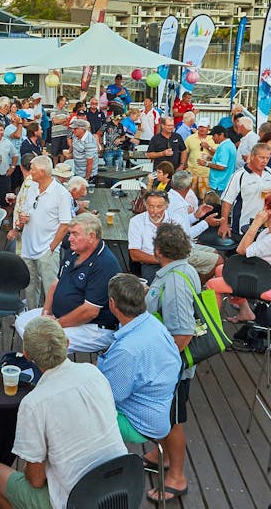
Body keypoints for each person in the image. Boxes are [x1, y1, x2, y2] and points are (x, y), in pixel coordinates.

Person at [0, 316, 127, 509]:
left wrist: (34, 467)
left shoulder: (34, 403)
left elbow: (36, 480)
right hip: (119, 485)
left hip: (77, 501)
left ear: (27, 354)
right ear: (67, 342)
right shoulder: (94, 373)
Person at [143, 224, 198, 502]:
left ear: (158, 250)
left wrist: (163, 367)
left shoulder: (174, 280)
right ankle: (159, 455)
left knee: (172, 419)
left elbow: (183, 332)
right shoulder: (183, 270)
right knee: (164, 414)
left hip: (172, 366)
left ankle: (177, 476)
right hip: (167, 361)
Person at [15, 213, 122, 353]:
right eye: (70, 233)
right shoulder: (73, 252)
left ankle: (52, 369)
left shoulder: (104, 264)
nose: (69, 238)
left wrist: (56, 324)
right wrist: (46, 313)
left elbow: (90, 312)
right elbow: (55, 284)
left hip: (93, 328)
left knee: (42, 340)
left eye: (75, 234)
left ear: (91, 237)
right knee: (22, 322)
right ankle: (44, 363)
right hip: (60, 317)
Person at [98, 272, 181, 447]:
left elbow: (108, 396)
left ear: (112, 304)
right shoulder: (153, 324)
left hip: (138, 422)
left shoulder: (127, 350)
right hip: (159, 411)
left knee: (71, 415)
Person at [208, 195, 271, 323]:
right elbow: (245, 249)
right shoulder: (267, 232)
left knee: (212, 285)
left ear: (268, 212)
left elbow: (241, 250)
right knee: (221, 269)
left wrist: (256, 223)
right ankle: (245, 311)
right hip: (264, 275)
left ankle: (212, 326)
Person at [12, 156, 72, 309]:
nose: (29, 172)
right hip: (27, 246)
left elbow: (65, 224)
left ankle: (49, 320)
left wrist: (51, 248)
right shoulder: (31, 186)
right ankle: (32, 317)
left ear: (42, 172)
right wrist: (22, 220)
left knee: (50, 289)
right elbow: (26, 210)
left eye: (32, 169)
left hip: (47, 249)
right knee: (30, 288)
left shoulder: (61, 193)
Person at [217, 143, 271, 239]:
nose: (265, 161)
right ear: (252, 156)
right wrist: (223, 224)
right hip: (243, 226)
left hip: (264, 225)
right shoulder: (239, 175)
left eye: (267, 158)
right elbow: (227, 201)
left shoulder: (269, 172)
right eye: (262, 158)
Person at [128, 191, 175, 282]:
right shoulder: (136, 221)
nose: (155, 211)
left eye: (159, 207)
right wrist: (162, 261)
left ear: (166, 206)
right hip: (150, 263)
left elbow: (183, 246)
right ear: (146, 205)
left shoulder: (176, 220)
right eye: (151, 206)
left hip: (174, 260)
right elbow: (134, 254)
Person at [200, 125, 235, 194]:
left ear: (221, 135)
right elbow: (224, 161)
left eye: (214, 135)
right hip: (224, 182)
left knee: (216, 204)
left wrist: (206, 164)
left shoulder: (224, 147)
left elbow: (222, 166)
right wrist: (212, 158)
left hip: (219, 184)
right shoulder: (229, 144)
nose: (212, 138)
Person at [67, 118, 97, 183]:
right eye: (73, 128)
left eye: (75, 128)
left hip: (87, 174)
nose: (73, 130)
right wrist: (69, 151)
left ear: (82, 129)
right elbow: (73, 144)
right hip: (78, 171)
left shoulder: (89, 142)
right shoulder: (76, 135)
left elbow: (90, 163)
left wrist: (86, 179)